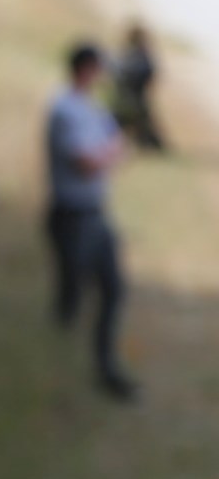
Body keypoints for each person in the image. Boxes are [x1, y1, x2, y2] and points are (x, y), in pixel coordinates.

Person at [46, 42, 138, 402]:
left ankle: (106, 369)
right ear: (86, 68)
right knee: (72, 296)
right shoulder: (64, 109)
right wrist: (111, 153)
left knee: (113, 290)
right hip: (71, 218)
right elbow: (87, 163)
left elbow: (116, 143)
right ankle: (53, 371)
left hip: (96, 214)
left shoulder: (92, 108)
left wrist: (110, 151)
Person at [112, 22, 167, 153]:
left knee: (141, 130)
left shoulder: (132, 55)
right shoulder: (137, 55)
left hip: (131, 98)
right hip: (132, 99)